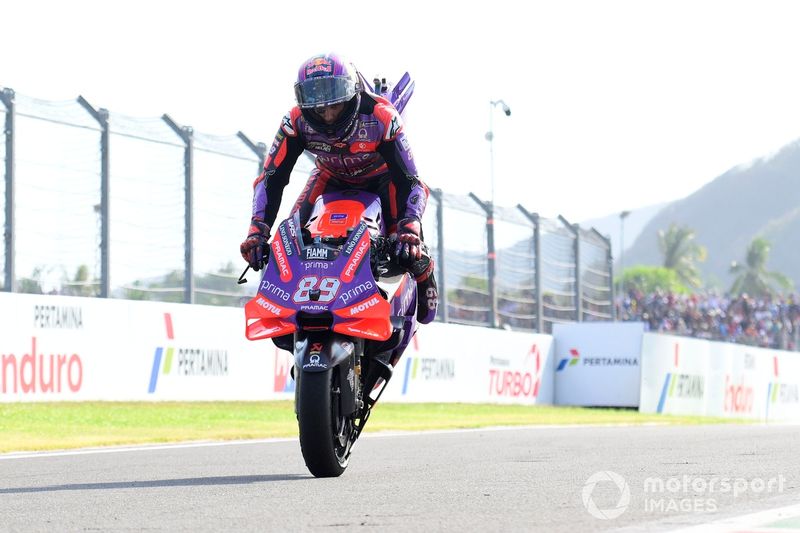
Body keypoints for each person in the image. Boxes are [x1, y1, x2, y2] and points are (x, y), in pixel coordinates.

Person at [240, 53, 438, 323]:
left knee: (404, 246)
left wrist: (410, 227)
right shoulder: (294, 121)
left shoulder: (382, 117)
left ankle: (424, 271)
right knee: (289, 241)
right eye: (320, 110)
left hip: (383, 179)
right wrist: (257, 232)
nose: (329, 115)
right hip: (329, 176)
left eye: (335, 106)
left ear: (353, 95)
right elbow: (271, 178)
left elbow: (411, 182)